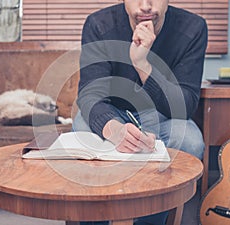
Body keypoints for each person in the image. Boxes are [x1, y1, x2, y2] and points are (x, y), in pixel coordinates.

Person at [73, 0, 207, 224]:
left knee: (191, 142)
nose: (145, 6)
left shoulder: (193, 28)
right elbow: (90, 95)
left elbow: (184, 105)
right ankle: (95, 219)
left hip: (163, 116)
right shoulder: (99, 24)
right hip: (112, 112)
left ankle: (151, 220)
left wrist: (142, 63)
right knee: (82, 129)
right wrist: (115, 130)